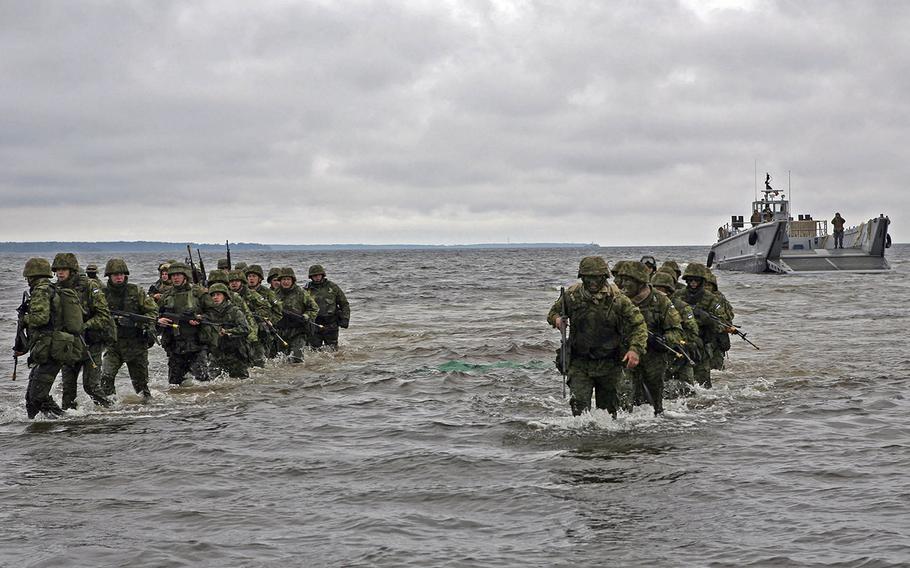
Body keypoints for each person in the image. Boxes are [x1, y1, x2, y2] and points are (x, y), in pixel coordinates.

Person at [546, 256, 648, 417]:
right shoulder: (572, 296)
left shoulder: (618, 299)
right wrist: (557, 320)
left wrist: (635, 350)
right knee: (578, 409)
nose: (593, 282)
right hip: (580, 361)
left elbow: (639, 325)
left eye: (597, 278)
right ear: (582, 277)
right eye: (588, 278)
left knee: (608, 413)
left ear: (604, 277)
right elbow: (553, 313)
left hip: (609, 362)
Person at [612, 261, 682, 415]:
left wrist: (662, 340)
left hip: (653, 358)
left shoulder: (661, 301)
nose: (623, 284)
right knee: (624, 398)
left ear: (640, 282)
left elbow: (676, 331)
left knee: (655, 404)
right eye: (621, 280)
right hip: (625, 356)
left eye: (628, 280)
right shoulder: (617, 300)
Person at [17, 258, 79, 419]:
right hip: (47, 348)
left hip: (50, 349)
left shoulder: (41, 291)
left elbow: (40, 319)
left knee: (37, 396)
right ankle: (38, 429)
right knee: (31, 399)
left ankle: (64, 420)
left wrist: (25, 319)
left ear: (31, 276)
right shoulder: (49, 289)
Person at [53, 253, 114, 410]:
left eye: (64, 269)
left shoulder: (89, 286)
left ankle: (110, 411)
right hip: (68, 345)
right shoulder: (56, 289)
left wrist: (84, 325)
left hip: (90, 343)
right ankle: (68, 420)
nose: (60, 273)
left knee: (91, 386)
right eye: (58, 270)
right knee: (68, 390)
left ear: (72, 270)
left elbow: (104, 316)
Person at [101, 258, 159, 400]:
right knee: (105, 378)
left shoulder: (136, 291)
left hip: (136, 344)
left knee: (141, 386)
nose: (119, 277)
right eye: (115, 275)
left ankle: (148, 410)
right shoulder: (103, 294)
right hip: (114, 344)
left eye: (121, 274)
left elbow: (152, 313)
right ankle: (110, 406)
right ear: (109, 276)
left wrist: (135, 323)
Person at [673, 263, 730, 388]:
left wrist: (708, 320)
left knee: (704, 385)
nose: (693, 283)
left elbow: (723, 323)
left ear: (702, 281)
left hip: (703, 345)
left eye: (696, 280)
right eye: (690, 280)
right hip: (682, 343)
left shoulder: (711, 299)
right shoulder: (678, 295)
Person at [158, 262, 215, 384]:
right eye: (173, 275)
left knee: (203, 384)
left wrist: (200, 318)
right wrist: (159, 321)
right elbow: (156, 315)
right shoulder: (167, 296)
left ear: (185, 276)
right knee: (174, 385)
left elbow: (214, 314)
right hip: (175, 347)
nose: (175, 278)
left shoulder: (198, 293)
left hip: (197, 345)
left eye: (178, 275)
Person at [651, 271, 699, 395]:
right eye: (655, 288)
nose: (658, 292)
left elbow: (692, 332)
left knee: (688, 392)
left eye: (661, 289)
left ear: (669, 290)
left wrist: (674, 339)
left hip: (680, 353)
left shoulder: (681, 307)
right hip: (659, 355)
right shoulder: (649, 306)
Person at [206, 283, 252, 378]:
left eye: (218, 294)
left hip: (235, 353)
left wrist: (228, 332)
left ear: (225, 296)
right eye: (213, 295)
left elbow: (245, 329)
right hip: (217, 353)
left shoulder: (235, 311)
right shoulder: (209, 313)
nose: (215, 297)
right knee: (213, 382)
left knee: (240, 381)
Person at [274, 267, 319, 363]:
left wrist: (306, 316)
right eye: (283, 279)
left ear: (292, 280)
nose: (286, 282)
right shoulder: (274, 293)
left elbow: (314, 308)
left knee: (297, 359)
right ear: (280, 281)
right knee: (282, 360)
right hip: (281, 331)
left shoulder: (301, 293)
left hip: (298, 331)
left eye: (288, 279)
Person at [305, 264, 350, 349]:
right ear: (311, 277)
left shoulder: (332, 287)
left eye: (319, 275)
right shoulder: (306, 290)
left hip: (331, 324)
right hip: (314, 324)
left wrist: (345, 318)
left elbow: (344, 304)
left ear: (322, 275)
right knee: (314, 351)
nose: (317, 277)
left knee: (332, 351)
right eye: (314, 275)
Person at [246, 264, 284, 359]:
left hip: (264, 330)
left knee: (265, 357)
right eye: (249, 276)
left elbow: (278, 311)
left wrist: (269, 321)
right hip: (248, 329)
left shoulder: (268, 293)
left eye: (254, 276)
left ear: (259, 279)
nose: (251, 279)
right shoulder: (243, 292)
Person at [704, 269, 735, 371]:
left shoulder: (720, 298)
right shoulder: (696, 297)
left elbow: (729, 315)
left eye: (709, 285)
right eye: (705, 285)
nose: (707, 287)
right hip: (705, 334)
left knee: (717, 364)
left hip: (718, 334)